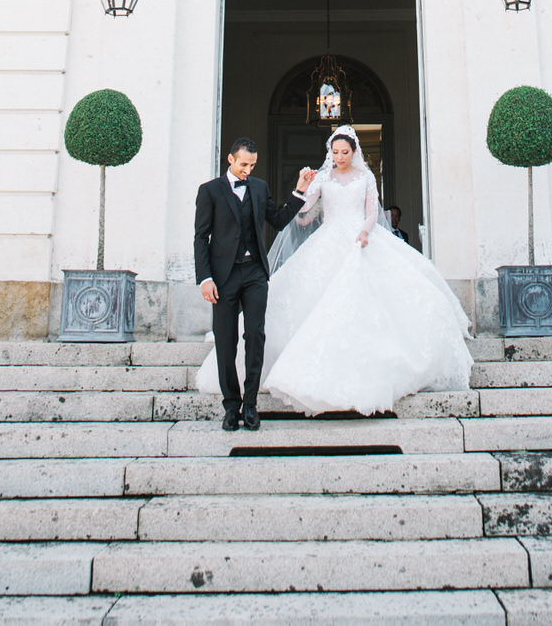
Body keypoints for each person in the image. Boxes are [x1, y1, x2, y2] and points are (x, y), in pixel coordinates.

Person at [197, 125, 472, 417]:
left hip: (359, 239)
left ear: (354, 153)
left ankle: (360, 376)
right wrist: (302, 195)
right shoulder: (322, 178)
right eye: (335, 152)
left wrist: (365, 232)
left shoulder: (365, 177)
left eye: (344, 152)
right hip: (323, 241)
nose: (339, 156)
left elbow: (370, 213)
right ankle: (239, 400)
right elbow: (300, 213)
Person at [194, 136, 316, 433]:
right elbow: (201, 237)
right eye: (244, 164)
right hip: (222, 278)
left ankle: (250, 405)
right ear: (231, 160)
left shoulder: (259, 187)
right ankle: (231, 406)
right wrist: (205, 278)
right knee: (225, 341)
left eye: (253, 165)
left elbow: (277, 219)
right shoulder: (209, 191)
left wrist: (300, 190)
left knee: (256, 336)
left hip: (254, 275)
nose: (248, 170)